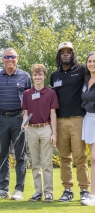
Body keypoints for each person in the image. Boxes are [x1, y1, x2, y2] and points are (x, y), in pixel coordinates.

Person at [50, 42, 90, 202]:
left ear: (72, 54)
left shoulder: (81, 71)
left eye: (68, 51)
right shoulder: (54, 75)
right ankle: (67, 190)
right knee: (64, 157)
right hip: (59, 121)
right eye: (62, 52)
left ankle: (84, 190)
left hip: (78, 119)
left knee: (80, 156)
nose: (65, 54)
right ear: (59, 55)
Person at [0, 48, 31, 201]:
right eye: (7, 57)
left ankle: (19, 190)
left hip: (18, 118)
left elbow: (28, 99)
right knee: (3, 154)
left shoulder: (25, 76)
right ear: (2, 59)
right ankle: (3, 189)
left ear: (17, 59)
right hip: (1, 118)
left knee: (20, 155)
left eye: (12, 57)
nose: (10, 59)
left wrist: (26, 119)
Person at [22, 64, 58, 203]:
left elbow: (53, 114)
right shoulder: (27, 93)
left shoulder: (50, 93)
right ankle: (38, 192)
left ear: (44, 76)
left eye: (40, 74)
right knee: (35, 163)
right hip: (31, 129)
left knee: (47, 163)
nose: (37, 77)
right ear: (32, 76)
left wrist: (54, 133)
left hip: (46, 128)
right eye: (35, 75)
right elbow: (25, 114)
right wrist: (24, 123)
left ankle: (48, 192)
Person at [80, 52, 95, 206]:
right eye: (90, 61)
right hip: (88, 119)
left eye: (94, 61)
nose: (92, 64)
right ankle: (92, 194)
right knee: (93, 158)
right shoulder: (86, 80)